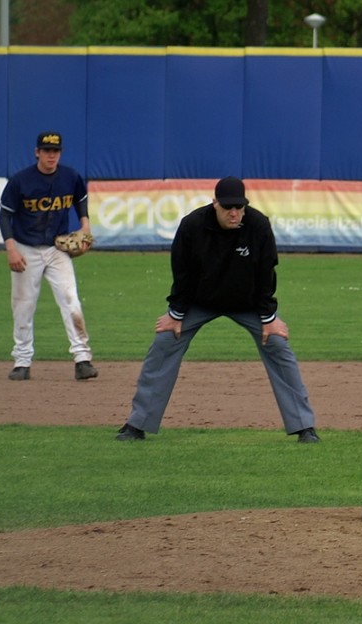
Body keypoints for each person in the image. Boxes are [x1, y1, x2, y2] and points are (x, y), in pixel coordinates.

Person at [115, 176, 319, 443]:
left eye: (239, 207)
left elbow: (266, 273)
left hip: (248, 304)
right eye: (227, 207)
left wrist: (269, 317)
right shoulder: (192, 225)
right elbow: (182, 272)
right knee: (164, 342)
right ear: (215, 204)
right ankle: (137, 423)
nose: (234, 213)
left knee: (278, 344)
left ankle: (305, 427)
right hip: (199, 302)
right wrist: (176, 313)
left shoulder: (258, 225)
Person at [0, 131, 98, 381]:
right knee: (23, 306)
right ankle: (22, 362)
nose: (51, 155)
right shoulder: (21, 181)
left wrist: (85, 225)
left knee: (71, 301)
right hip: (25, 248)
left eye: (55, 151)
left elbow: (81, 199)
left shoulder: (70, 176)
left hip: (56, 249)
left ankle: (82, 360)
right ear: (37, 153)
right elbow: (5, 215)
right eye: (46, 151)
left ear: (60, 153)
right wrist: (11, 248)